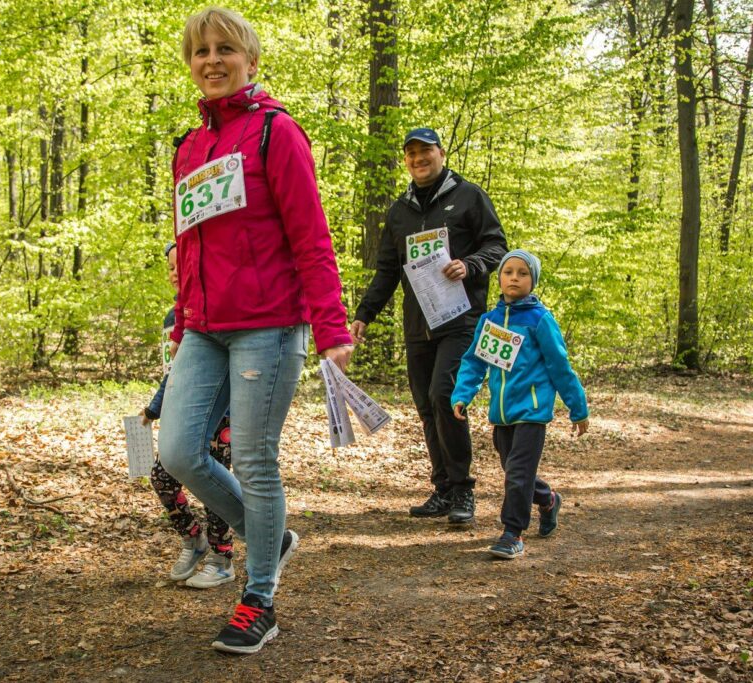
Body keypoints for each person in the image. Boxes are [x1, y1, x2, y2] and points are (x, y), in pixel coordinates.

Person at [158, 7, 353, 655]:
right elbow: (190, 247)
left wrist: (331, 327)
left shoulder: (277, 133)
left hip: (269, 326)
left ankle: (259, 595)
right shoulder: (190, 145)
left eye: (225, 49)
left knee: (256, 460)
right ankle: (269, 534)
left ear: (251, 59)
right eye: (199, 51)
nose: (211, 60)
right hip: (204, 329)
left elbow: (311, 237)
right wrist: (183, 321)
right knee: (180, 452)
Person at [350, 127, 507, 525]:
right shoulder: (399, 211)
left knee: (444, 396)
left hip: (461, 318)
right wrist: (364, 315)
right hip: (418, 323)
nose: (418, 159)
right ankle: (441, 489)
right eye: (411, 154)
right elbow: (387, 270)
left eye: (426, 152)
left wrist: (469, 265)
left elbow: (497, 246)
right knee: (425, 406)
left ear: (441, 153)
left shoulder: (469, 196)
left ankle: (463, 490)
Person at [450, 249, 589, 559]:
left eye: (522, 273)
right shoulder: (491, 319)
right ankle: (549, 499)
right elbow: (474, 362)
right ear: (499, 278)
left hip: (532, 413)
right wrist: (462, 394)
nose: (514, 277)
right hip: (501, 415)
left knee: (517, 474)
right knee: (516, 472)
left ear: (533, 280)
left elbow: (560, 366)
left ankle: (512, 533)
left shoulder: (540, 319)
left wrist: (577, 407)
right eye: (508, 272)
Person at [142, 243, 235, 588]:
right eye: (169, 268)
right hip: (187, 409)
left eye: (181, 264)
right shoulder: (172, 319)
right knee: (162, 477)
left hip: (223, 414)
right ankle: (192, 538)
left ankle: (222, 557)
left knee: (214, 484)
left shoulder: (219, 308)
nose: (175, 273)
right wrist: (155, 407)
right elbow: (175, 371)